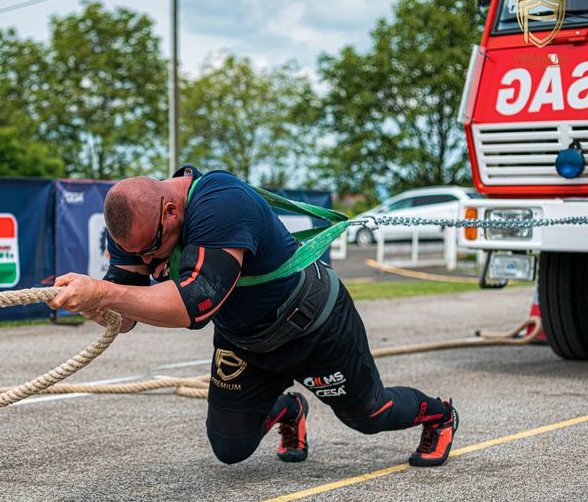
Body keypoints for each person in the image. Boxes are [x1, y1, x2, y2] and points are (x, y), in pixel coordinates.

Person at [49, 165, 458, 467]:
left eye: (150, 249)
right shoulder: (137, 229)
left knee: (369, 415)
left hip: (314, 327)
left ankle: (439, 415)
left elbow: (197, 303)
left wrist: (105, 292)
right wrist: (94, 305)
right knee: (230, 448)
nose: (145, 258)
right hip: (245, 339)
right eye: (135, 253)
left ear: (171, 211)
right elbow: (126, 316)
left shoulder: (221, 202)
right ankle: (289, 409)